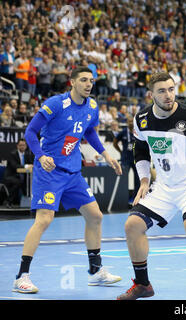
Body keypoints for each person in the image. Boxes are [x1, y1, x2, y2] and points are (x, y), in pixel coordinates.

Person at [14, 67, 123, 294]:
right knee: (44, 220)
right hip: (50, 170)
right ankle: (21, 276)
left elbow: (89, 132)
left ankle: (96, 271)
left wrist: (105, 154)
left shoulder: (92, 106)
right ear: (72, 82)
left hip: (73, 172)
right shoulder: (56, 104)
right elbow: (30, 132)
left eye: (91, 81)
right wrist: (41, 156)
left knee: (95, 216)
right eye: (83, 80)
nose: (88, 84)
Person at [117, 72, 186, 300]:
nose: (168, 95)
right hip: (164, 186)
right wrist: (144, 179)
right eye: (162, 91)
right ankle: (143, 285)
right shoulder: (142, 118)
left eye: (171, 89)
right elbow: (141, 150)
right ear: (151, 94)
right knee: (132, 226)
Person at [3, 139, 34, 208]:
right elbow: (15, 166)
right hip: (11, 176)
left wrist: (32, 165)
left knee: (29, 181)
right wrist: (26, 166)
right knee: (18, 182)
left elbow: (31, 163)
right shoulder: (13, 154)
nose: (22, 147)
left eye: (24, 145)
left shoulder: (27, 154)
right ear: (17, 146)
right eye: (20, 145)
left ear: (26, 146)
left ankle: (29, 201)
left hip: (23, 176)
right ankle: (9, 202)